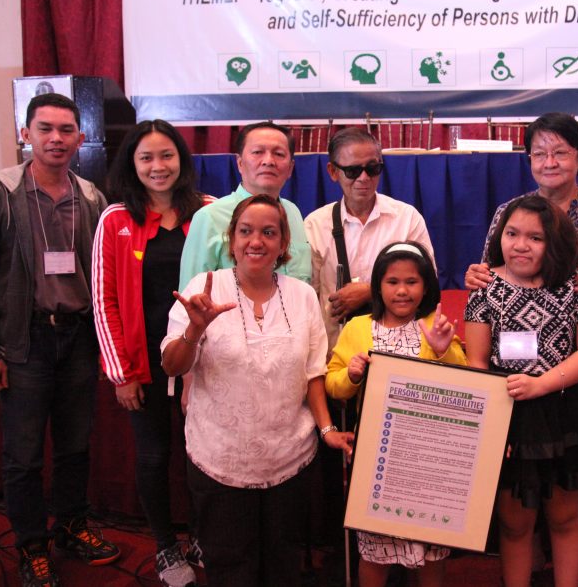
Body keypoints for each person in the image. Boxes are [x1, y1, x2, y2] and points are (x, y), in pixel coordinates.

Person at [464, 112, 578, 585]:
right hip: (510, 399)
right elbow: (487, 277)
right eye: (539, 152)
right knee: (517, 515)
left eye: (561, 151)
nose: (550, 161)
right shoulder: (512, 212)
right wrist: (477, 281)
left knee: (571, 500)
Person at [0, 93, 120, 587]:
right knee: (24, 454)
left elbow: (102, 275)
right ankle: (31, 547)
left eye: (66, 129)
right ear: (25, 133)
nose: (56, 138)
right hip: (25, 340)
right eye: (45, 128)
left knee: (76, 446)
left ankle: (71, 526)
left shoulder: (91, 196)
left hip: (77, 339)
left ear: (80, 136)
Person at [161, 194, 354, 587]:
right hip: (220, 461)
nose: (256, 241)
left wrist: (327, 429)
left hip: (290, 459)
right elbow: (172, 364)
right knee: (232, 568)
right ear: (231, 239)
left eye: (269, 233)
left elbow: (314, 372)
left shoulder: (301, 296)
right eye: (246, 231)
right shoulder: (204, 288)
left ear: (284, 244)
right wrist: (194, 330)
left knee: (283, 565)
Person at [464, 195, 578, 587]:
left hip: (563, 410)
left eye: (535, 237)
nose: (520, 245)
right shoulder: (484, 287)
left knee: (565, 518)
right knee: (514, 523)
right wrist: (493, 423)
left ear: (554, 243)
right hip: (508, 414)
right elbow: (476, 361)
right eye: (512, 233)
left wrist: (541, 383)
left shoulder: (575, 285)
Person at [92, 120, 210, 587]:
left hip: (202, 363)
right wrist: (120, 373)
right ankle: (165, 546)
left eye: (167, 156)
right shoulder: (115, 218)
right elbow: (105, 301)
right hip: (142, 364)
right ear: (132, 164)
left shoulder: (207, 212)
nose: (158, 167)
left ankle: (201, 535)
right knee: (154, 455)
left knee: (201, 455)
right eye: (147, 158)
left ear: (181, 160)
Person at [325, 241, 466, 587]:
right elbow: (333, 384)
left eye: (412, 282)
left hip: (430, 461)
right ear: (378, 286)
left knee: (433, 550)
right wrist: (352, 375)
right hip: (378, 461)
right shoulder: (357, 328)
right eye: (392, 282)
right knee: (375, 552)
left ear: (426, 286)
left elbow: (464, 384)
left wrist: (442, 351)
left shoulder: (437, 323)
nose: (402, 291)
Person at [305, 127, 434, 351]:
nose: (364, 178)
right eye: (353, 170)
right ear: (333, 172)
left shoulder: (406, 217)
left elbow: (428, 284)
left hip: (400, 350)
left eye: (372, 168)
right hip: (336, 351)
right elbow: (306, 297)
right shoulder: (316, 224)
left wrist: (369, 291)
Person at [178, 121, 310, 289]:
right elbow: (191, 295)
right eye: (257, 152)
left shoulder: (293, 212)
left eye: (278, 154)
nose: (268, 161)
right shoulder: (209, 217)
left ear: (290, 168)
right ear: (239, 163)